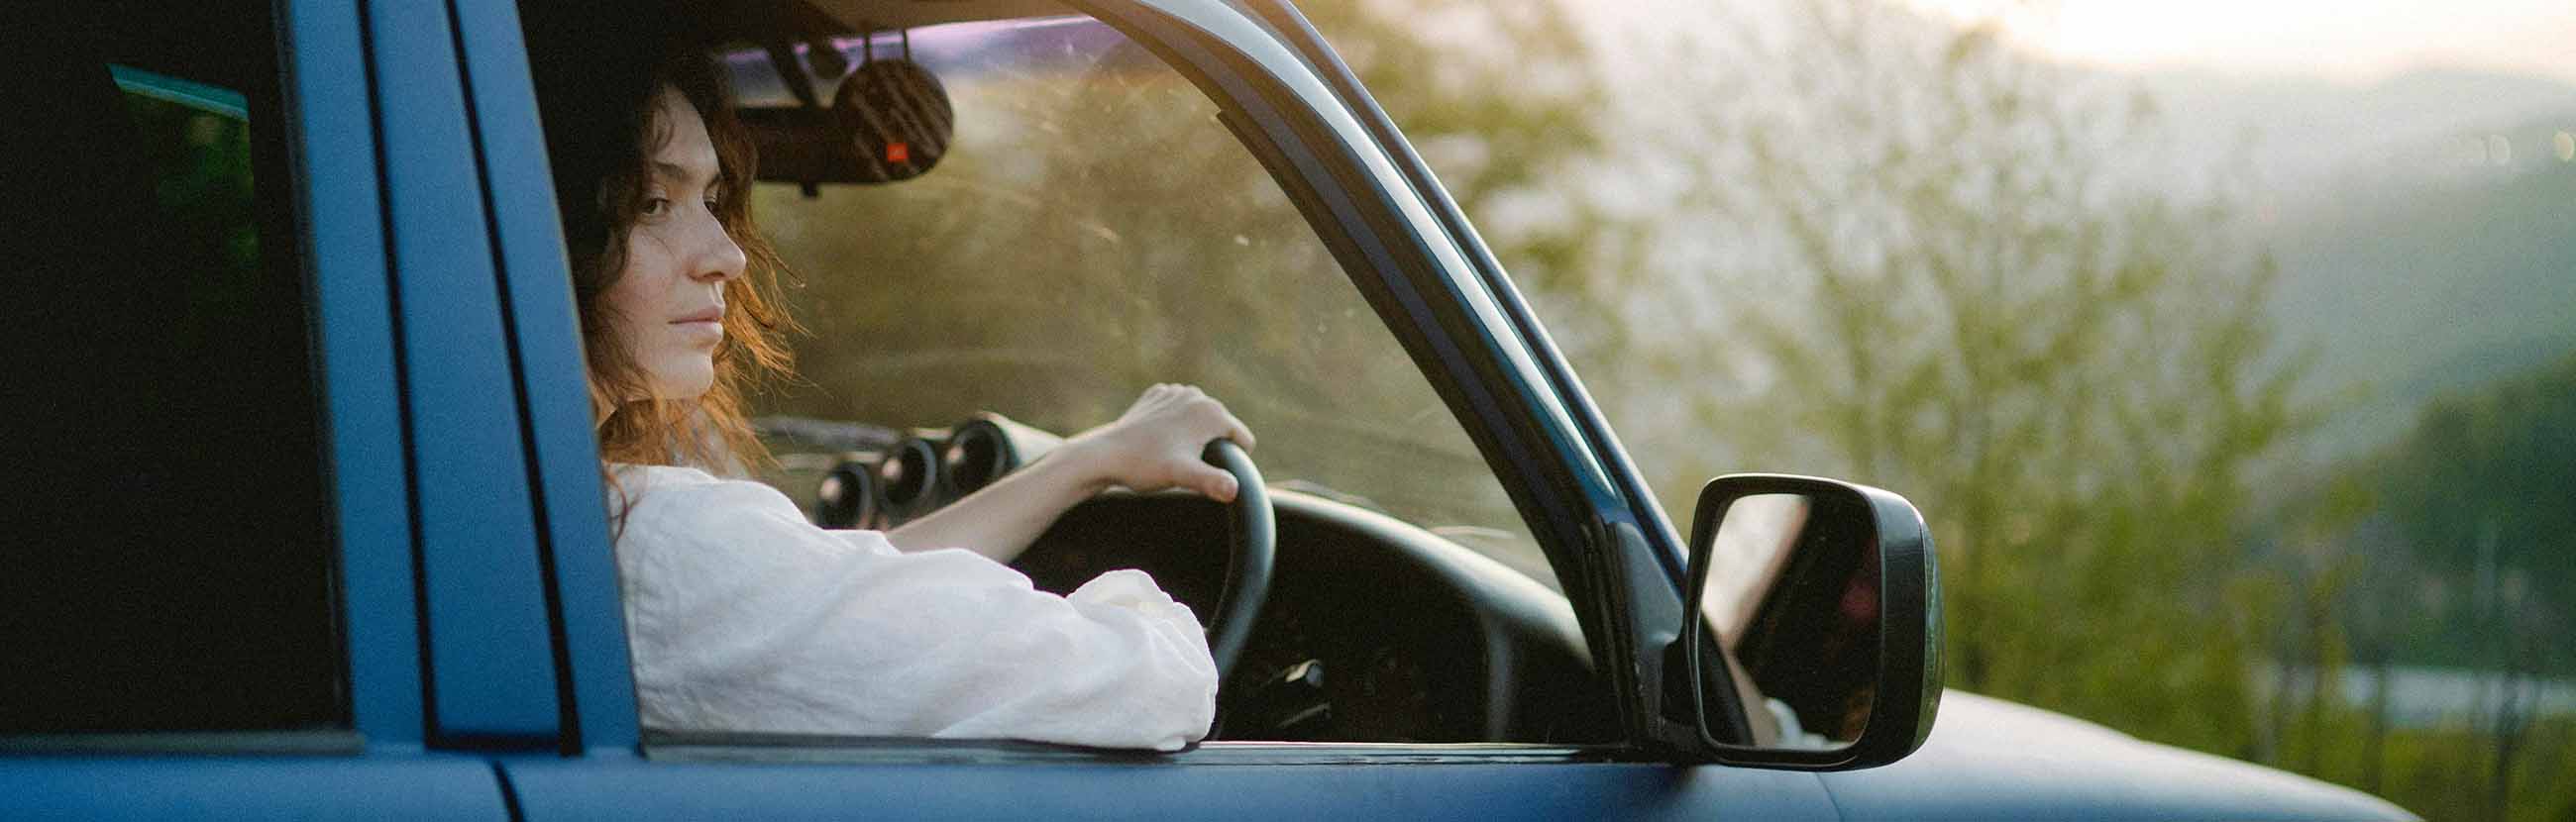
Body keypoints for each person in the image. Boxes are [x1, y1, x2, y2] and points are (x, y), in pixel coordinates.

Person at [544, 46, 1250, 751]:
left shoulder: (565, 526)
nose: (727, 256)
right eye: (652, 203)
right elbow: (1152, 687)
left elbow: (822, 596)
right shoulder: (658, 548)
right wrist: (1152, 614)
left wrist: (1088, 462)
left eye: (710, 201)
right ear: (547, 232)